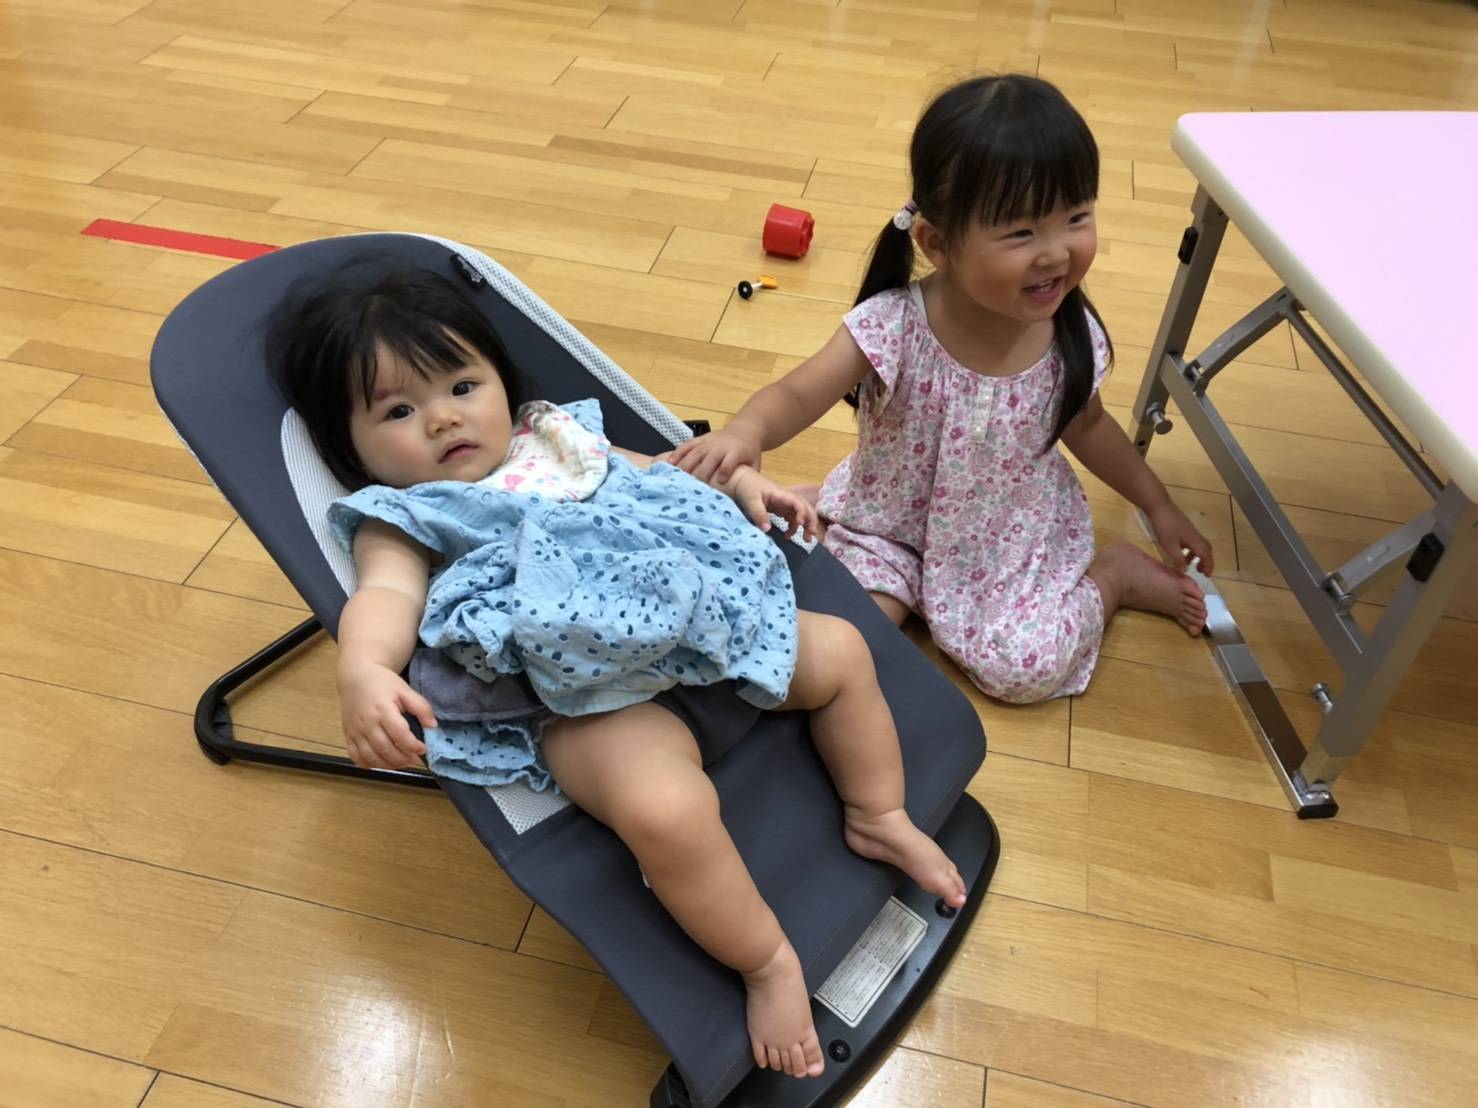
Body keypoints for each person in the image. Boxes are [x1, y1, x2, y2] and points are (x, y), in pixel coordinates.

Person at [269, 264, 966, 1081]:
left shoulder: (554, 436)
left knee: (843, 651)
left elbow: (659, 475)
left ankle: (877, 813)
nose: (443, 417)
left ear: (500, 381)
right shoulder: (405, 515)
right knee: (663, 811)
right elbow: (385, 596)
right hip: (592, 704)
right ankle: (766, 961)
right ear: (348, 450)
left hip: (706, 640)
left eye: (462, 385)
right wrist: (363, 669)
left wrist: (740, 482)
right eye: (397, 410)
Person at [670, 74, 1213, 704]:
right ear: (937, 243)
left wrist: (1160, 506)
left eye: (1076, 218)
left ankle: (1116, 578)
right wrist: (747, 431)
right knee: (834, 640)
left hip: (1006, 537)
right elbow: (796, 393)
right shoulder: (894, 325)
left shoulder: (1068, 334)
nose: (1055, 253)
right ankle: (834, 505)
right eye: (1021, 232)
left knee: (1023, 671)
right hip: (889, 526)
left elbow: (1090, 428)